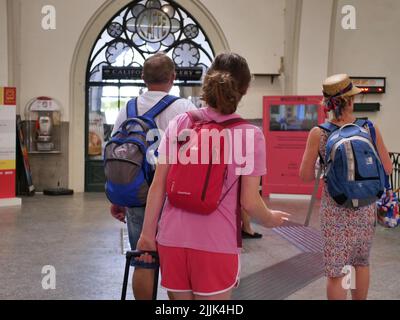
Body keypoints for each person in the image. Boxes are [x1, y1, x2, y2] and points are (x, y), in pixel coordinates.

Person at [136, 53, 290, 300]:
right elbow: (249, 202)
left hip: (172, 238)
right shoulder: (249, 135)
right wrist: (269, 218)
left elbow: (158, 186)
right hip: (216, 242)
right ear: (246, 89)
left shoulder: (180, 122)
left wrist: (146, 235)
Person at [109, 53, 196, 300]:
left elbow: (118, 153)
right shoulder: (184, 108)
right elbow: (194, 154)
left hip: (138, 195)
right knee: (175, 267)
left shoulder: (128, 108)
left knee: (143, 258)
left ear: (143, 78)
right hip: (175, 196)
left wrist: (119, 198)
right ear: (173, 77)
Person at [300, 74, 393, 300]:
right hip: (365, 207)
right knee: (360, 263)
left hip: (335, 208)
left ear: (328, 104)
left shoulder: (318, 133)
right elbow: (388, 168)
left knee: (336, 270)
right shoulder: (369, 128)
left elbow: (304, 176)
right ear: (351, 101)